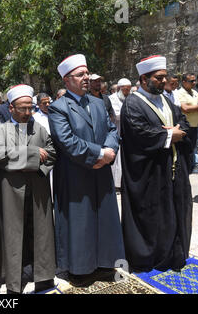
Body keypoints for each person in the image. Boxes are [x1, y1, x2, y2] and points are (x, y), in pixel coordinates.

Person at [47, 54, 125, 287]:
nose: (86, 77)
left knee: (104, 218)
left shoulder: (98, 102)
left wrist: (109, 150)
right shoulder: (58, 108)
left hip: (100, 173)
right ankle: (80, 269)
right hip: (75, 175)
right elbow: (67, 141)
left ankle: (104, 263)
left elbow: (112, 129)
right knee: (80, 221)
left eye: (87, 73)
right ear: (66, 80)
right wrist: (100, 154)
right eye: (80, 74)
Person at [120, 55, 193, 272]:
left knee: (173, 212)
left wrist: (175, 132)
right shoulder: (133, 104)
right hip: (149, 173)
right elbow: (139, 133)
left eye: (164, 77)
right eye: (158, 78)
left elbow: (183, 122)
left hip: (171, 168)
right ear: (144, 79)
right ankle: (148, 257)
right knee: (152, 216)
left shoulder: (166, 101)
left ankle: (172, 253)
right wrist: (170, 135)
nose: (164, 82)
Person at [0, 84, 57, 294]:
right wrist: (33, 154)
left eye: (31, 108)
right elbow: (1, 156)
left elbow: (52, 152)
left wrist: (31, 159)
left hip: (38, 189)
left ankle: (44, 277)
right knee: (13, 237)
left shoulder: (38, 127)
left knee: (41, 235)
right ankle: (14, 282)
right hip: (11, 193)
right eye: (23, 108)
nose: (28, 113)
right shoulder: (1, 130)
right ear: (11, 108)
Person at [108, 78, 132, 190]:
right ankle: (117, 184)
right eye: (125, 89)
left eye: (129, 89)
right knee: (117, 160)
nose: (127, 92)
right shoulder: (112, 99)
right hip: (117, 130)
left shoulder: (131, 97)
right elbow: (116, 115)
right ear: (119, 89)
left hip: (129, 132)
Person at [176, 73, 198, 173]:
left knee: (192, 149)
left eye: (195, 80)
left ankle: (190, 168)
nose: (194, 83)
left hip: (195, 126)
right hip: (186, 127)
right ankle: (184, 170)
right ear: (184, 82)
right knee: (185, 150)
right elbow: (185, 108)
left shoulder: (195, 92)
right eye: (191, 81)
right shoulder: (179, 93)